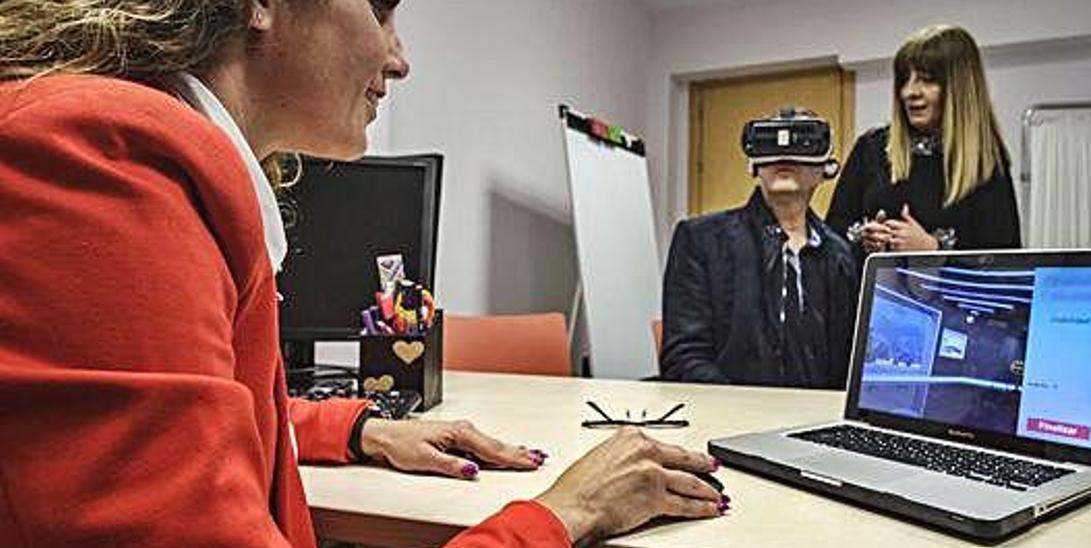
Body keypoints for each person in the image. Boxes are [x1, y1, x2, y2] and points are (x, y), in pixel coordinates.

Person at [0, 1, 724, 546]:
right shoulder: (99, 161)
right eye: (381, 10)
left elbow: (173, 409)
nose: (399, 57)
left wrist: (360, 430)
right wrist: (567, 514)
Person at [661, 108, 858, 389]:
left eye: (800, 142)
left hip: (817, 421)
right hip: (730, 419)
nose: (784, 154)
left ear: (826, 169)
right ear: (754, 163)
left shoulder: (840, 255)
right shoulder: (702, 240)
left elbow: (847, 362)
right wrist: (743, 412)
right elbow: (683, 359)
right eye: (772, 142)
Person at [826, 24, 1021, 271]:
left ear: (958, 89)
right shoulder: (871, 148)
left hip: (952, 308)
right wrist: (862, 240)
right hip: (875, 305)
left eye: (927, 81)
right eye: (904, 80)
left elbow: (1005, 268)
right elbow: (831, 238)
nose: (910, 92)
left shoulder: (986, 163)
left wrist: (934, 251)